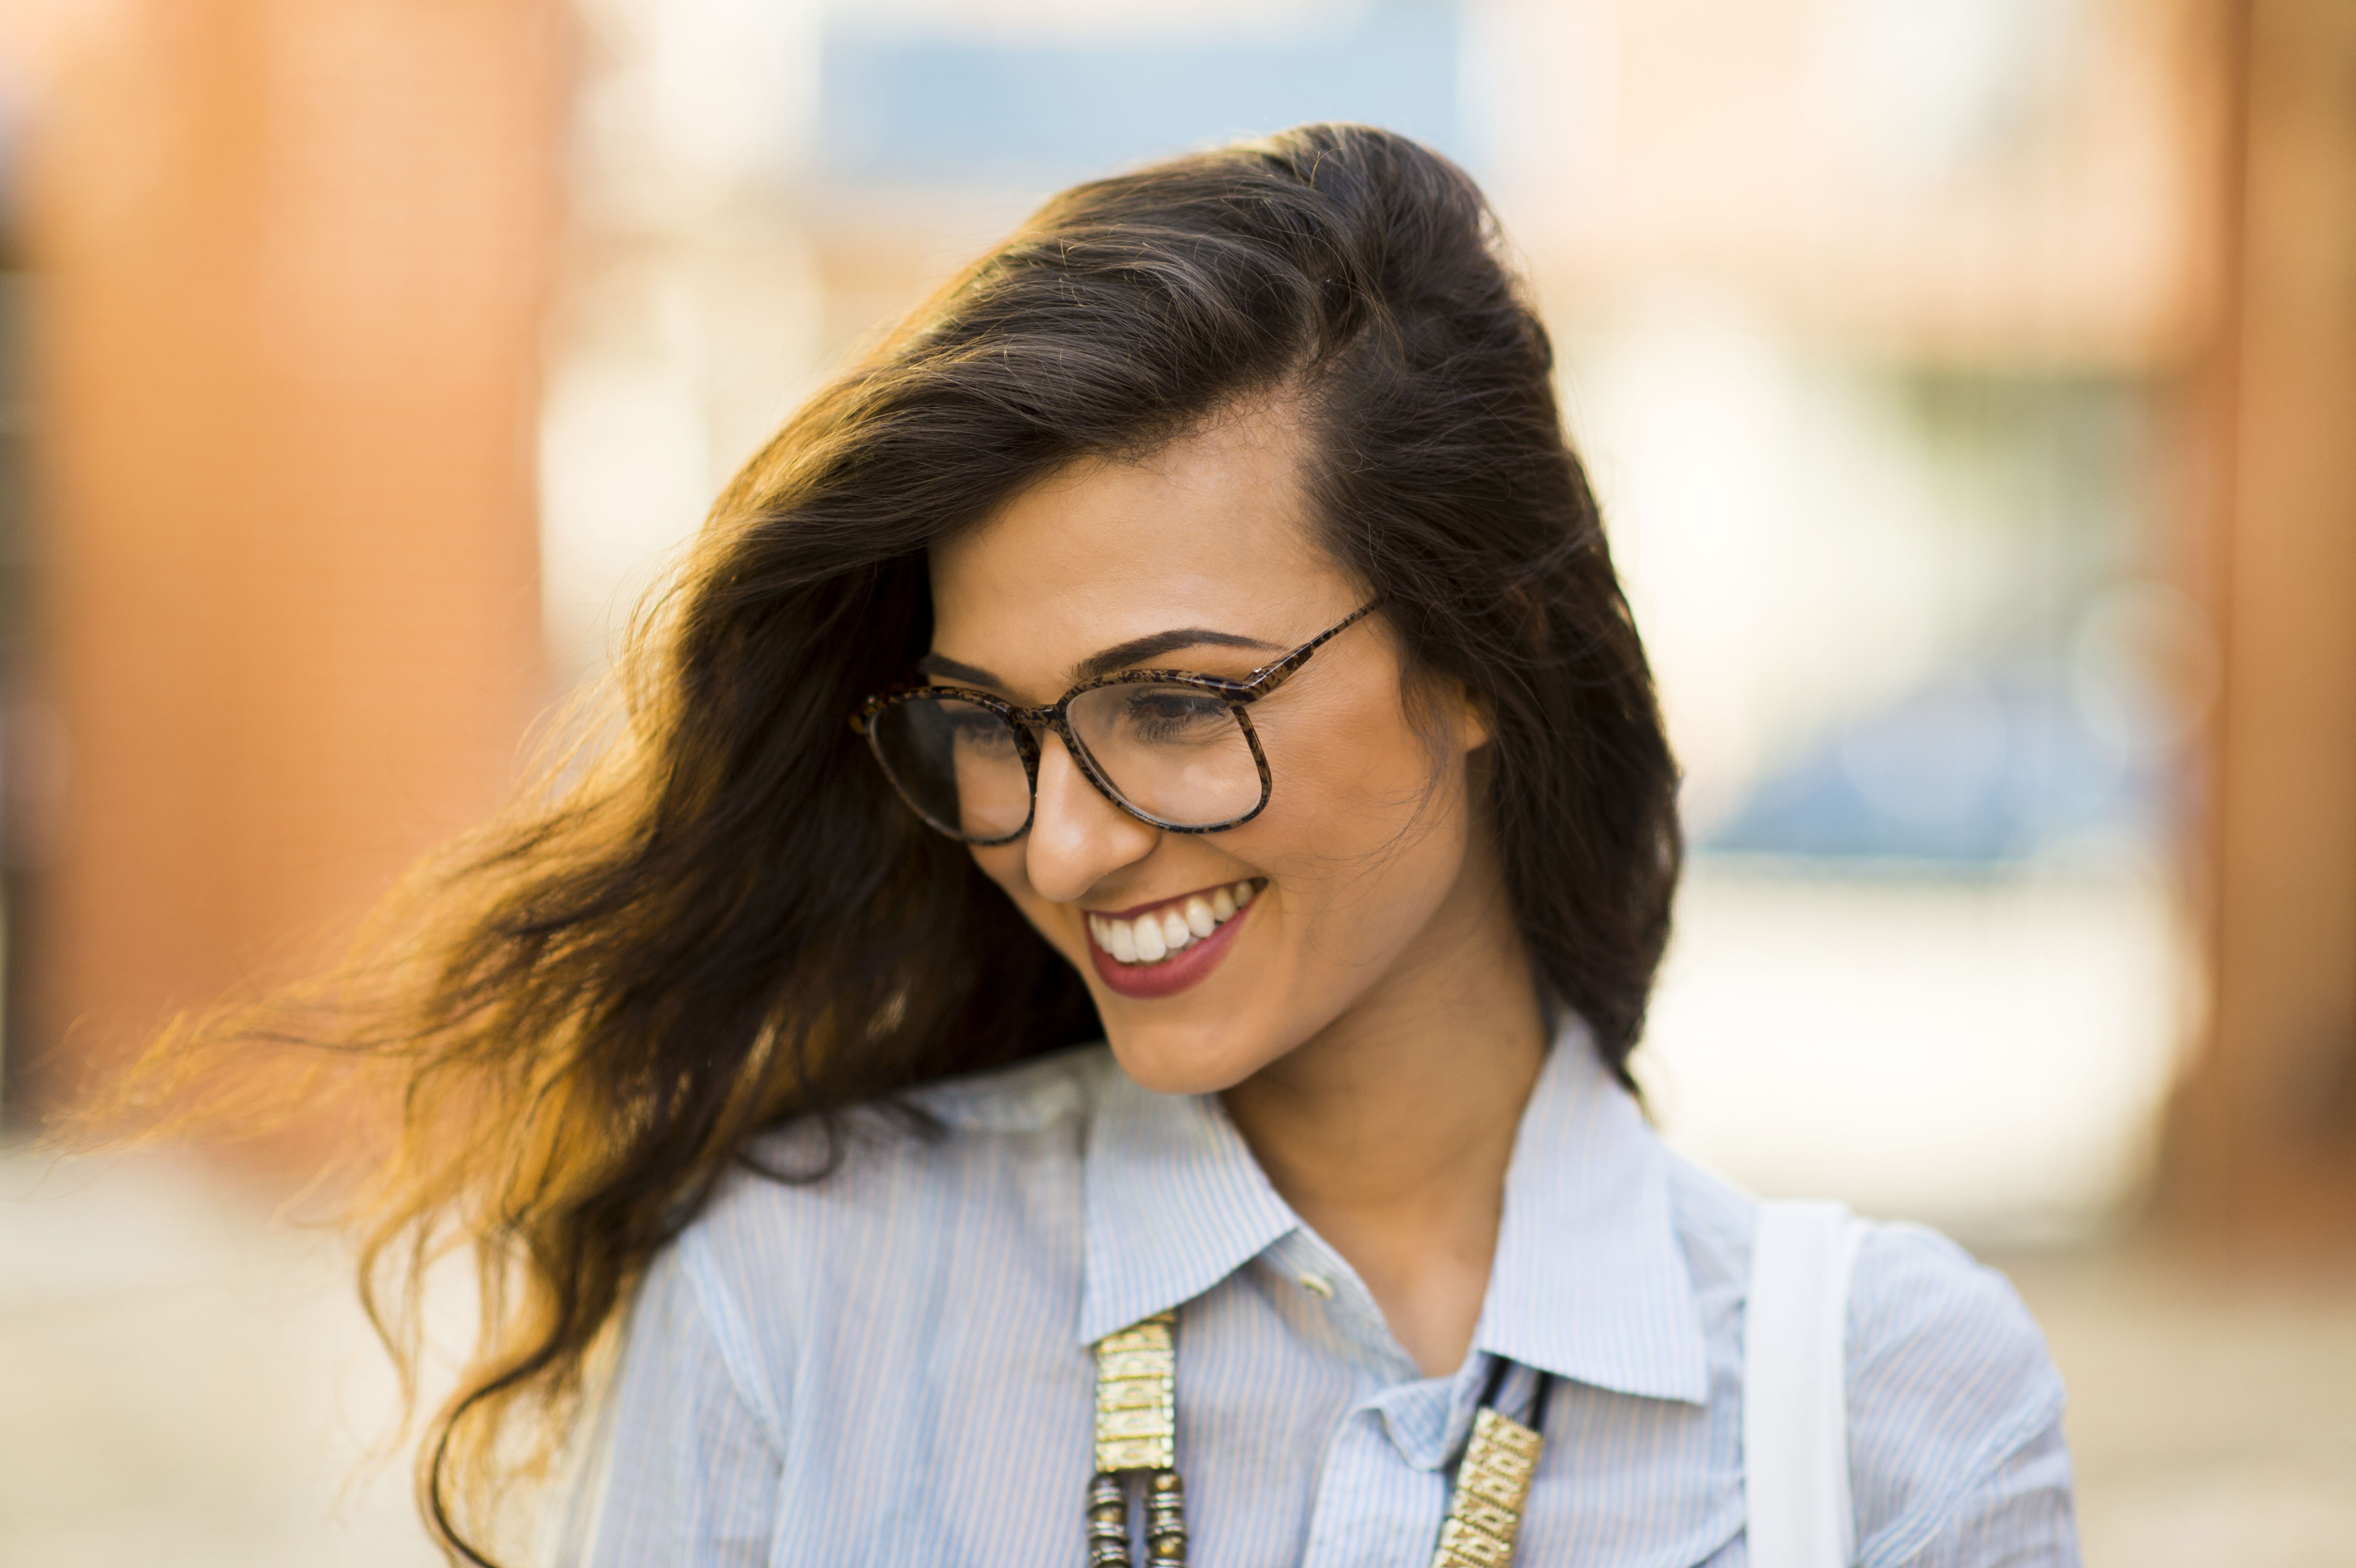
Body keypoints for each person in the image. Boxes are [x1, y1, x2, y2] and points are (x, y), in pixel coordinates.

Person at [126, 124, 2077, 1567]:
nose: (1056, 843)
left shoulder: (1884, 1410)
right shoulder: (805, 1284)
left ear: (1494, 648)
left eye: (1173, 699)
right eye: (988, 724)